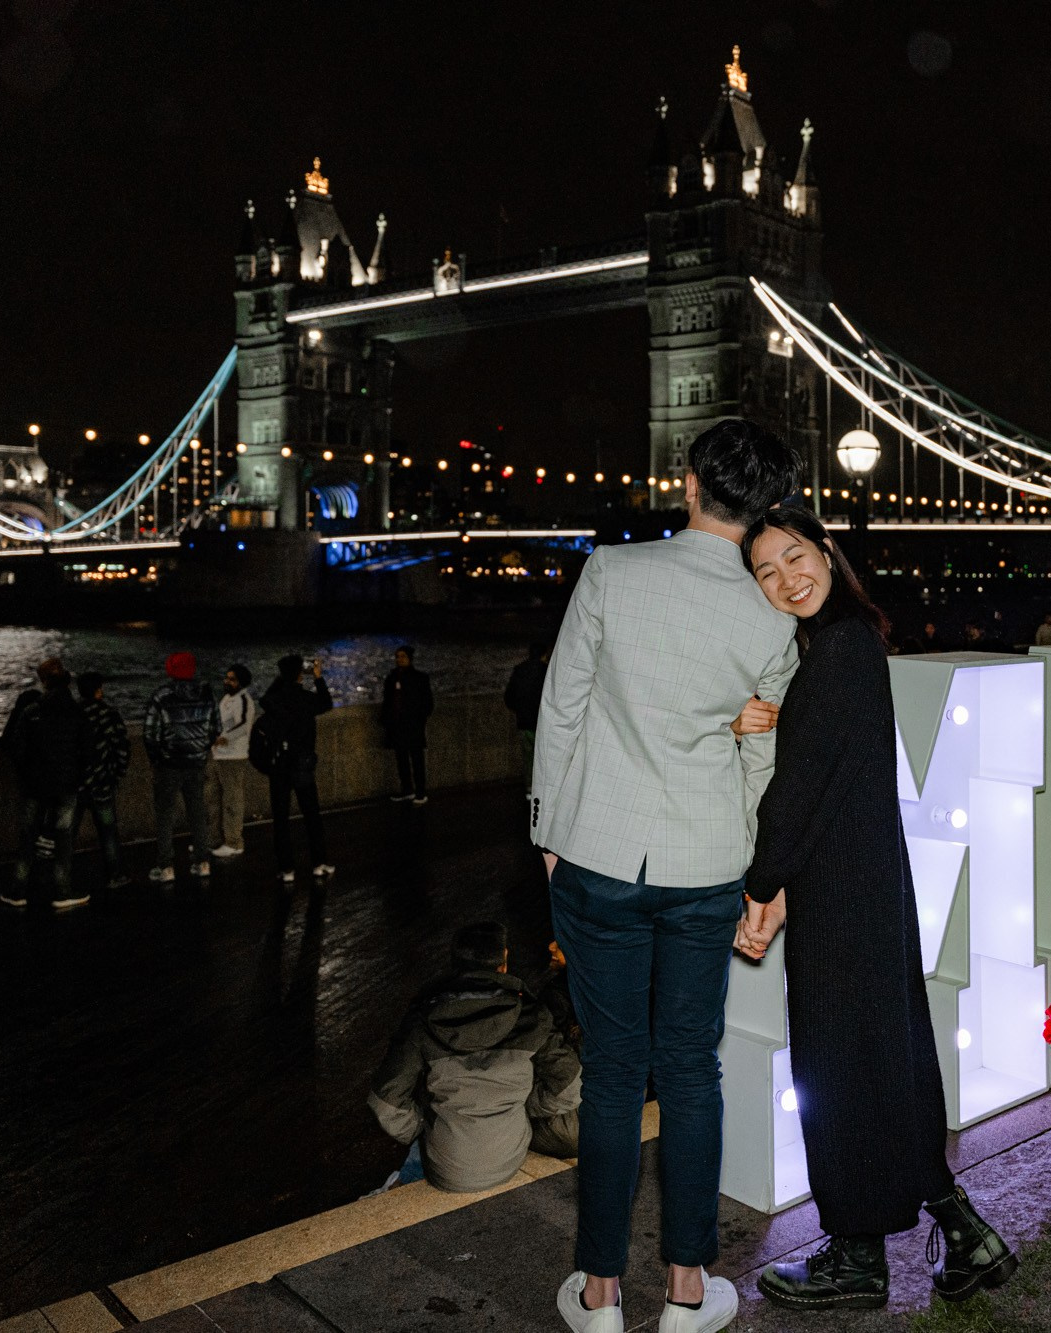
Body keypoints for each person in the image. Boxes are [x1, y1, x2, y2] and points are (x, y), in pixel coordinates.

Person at [533, 416, 800, 1333]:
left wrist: (548, 831)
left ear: (689, 485)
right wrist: (765, 880)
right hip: (706, 867)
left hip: (598, 857)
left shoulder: (613, 571)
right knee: (692, 1070)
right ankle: (688, 1287)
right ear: (767, 505)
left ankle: (600, 1294)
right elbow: (764, 761)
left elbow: (561, 706)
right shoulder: (773, 612)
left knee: (613, 1074)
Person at [732, 507, 1015, 1312]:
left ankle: (857, 1256)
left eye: (796, 558)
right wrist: (779, 718)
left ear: (827, 551)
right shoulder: (852, 644)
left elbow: (796, 795)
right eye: (767, 572)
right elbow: (831, 749)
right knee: (887, 1059)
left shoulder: (838, 649)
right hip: (873, 888)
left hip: (839, 897)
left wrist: (759, 885)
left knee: (837, 1068)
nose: (788, 579)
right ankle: (963, 1233)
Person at [368, 922, 582, 1194]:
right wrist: (520, 1106)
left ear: (456, 963)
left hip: (446, 1168)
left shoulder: (423, 1019)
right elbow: (570, 1086)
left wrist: (423, 1128)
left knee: (430, 1099)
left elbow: (385, 1102)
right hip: (508, 1160)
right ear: (503, 961)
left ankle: (395, 1184)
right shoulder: (531, 1015)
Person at [0, 658, 92, 912]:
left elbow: (17, 748)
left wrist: (29, 775)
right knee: (63, 839)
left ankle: (16, 890)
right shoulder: (77, 713)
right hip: (66, 786)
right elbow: (87, 751)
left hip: (35, 786)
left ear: (45, 683)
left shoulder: (33, 711)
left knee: (28, 837)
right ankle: (62, 891)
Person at [143, 650, 218, 883]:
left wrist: (157, 758)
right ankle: (202, 861)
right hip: (196, 762)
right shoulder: (206, 695)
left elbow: (149, 733)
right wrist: (201, 750)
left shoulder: (162, 696)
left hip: (169, 764)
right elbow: (215, 729)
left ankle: (166, 866)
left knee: (165, 815)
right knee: (197, 811)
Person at [259, 653, 335, 884]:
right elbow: (326, 703)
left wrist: (283, 678)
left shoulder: (274, 699)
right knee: (312, 815)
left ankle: (287, 868)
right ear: (300, 674)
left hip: (280, 764)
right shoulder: (306, 699)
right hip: (302, 764)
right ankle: (319, 863)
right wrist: (318, 678)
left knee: (281, 819)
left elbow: (264, 699)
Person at [74, 671, 131, 892]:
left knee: (68, 834)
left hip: (77, 786)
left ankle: (62, 878)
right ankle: (115, 875)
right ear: (99, 690)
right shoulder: (109, 714)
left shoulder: (74, 713)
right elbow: (122, 749)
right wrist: (116, 774)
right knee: (108, 833)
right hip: (102, 786)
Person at [210, 663, 258, 857]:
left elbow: (244, 725)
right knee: (214, 798)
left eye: (232, 679)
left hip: (233, 756)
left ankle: (234, 842)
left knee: (232, 800)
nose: (227, 681)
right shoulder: (227, 699)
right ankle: (213, 839)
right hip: (219, 755)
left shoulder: (243, 700)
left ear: (241, 682)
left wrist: (224, 738)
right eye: (227, 678)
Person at [382, 645, 435, 805]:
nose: (399, 659)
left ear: (409, 658)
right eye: (398, 656)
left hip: (411, 724)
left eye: (403, 656)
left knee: (416, 759)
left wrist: (419, 719)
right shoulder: (393, 677)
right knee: (402, 759)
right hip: (399, 724)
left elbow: (427, 702)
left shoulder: (418, 678)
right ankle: (408, 790)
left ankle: (419, 791)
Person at [504, 638, 550, 789]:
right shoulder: (547, 671)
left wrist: (519, 710)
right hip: (542, 722)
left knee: (529, 756)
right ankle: (543, 788)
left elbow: (509, 696)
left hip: (524, 721)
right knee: (544, 757)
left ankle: (530, 788)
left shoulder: (519, 669)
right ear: (544, 655)